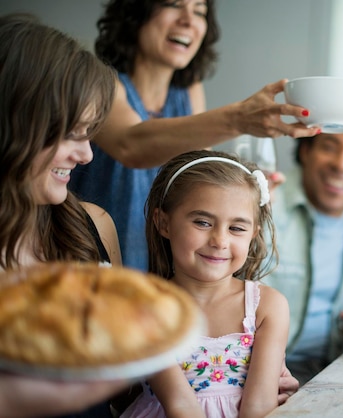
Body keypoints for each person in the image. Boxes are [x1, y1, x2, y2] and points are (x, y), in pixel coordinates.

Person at [69, 0, 319, 271]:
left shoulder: (188, 91)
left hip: (166, 270)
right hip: (99, 263)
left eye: (199, 11)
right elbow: (132, 144)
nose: (188, 20)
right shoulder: (104, 83)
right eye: (172, 4)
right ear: (134, 14)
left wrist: (248, 192)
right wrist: (238, 118)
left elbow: (200, 178)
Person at [0, 13, 126, 418]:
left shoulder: (94, 227)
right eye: (72, 133)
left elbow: (127, 372)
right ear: (15, 125)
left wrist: (232, 370)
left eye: (90, 133)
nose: (87, 154)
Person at [120, 150, 289, 417]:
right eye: (202, 222)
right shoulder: (144, 308)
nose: (220, 241)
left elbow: (259, 407)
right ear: (163, 223)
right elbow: (180, 405)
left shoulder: (267, 307)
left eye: (236, 228)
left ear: (253, 234)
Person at [264, 113, 343, 384]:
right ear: (305, 150)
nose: (342, 165)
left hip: (336, 367)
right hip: (261, 371)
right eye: (329, 147)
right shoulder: (265, 203)